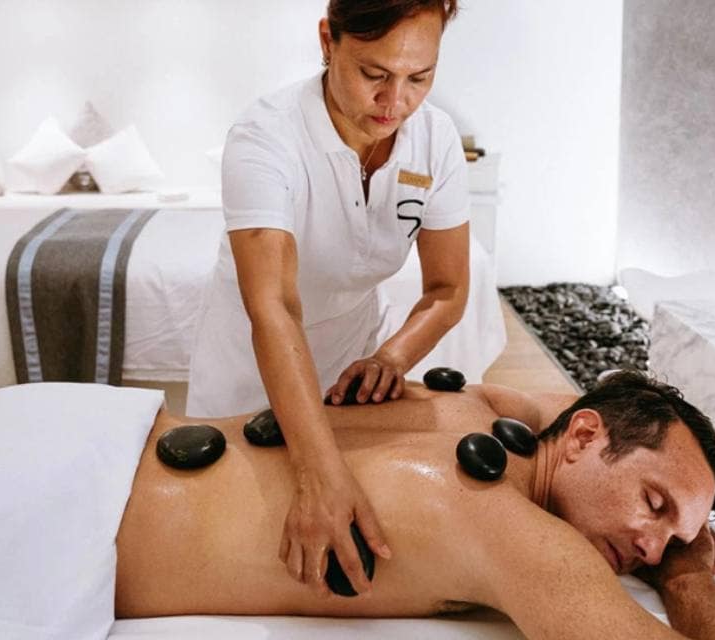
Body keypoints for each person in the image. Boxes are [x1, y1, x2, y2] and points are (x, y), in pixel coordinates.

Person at [117, 372, 715, 639]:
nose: (651, 547)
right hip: (75, 523)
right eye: (654, 503)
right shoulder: (516, 533)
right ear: (584, 435)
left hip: (105, 426)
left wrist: (663, 530)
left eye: (672, 543)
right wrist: (689, 575)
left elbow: (541, 410)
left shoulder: (468, 407)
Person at [187, 0, 470, 597]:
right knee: (233, 546)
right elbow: (273, 306)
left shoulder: (435, 140)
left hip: (349, 368)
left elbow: (447, 291)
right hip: (251, 367)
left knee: (331, 557)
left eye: (420, 77)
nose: (395, 104)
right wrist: (316, 470)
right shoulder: (265, 135)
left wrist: (390, 359)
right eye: (374, 74)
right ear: (327, 40)